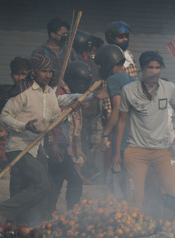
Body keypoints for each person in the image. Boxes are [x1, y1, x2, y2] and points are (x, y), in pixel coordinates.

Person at [0, 54, 80, 224]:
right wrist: (24, 126)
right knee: (40, 184)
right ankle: (5, 211)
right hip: (19, 147)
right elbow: (4, 117)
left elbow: (54, 118)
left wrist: (69, 110)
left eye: (50, 71)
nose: (48, 75)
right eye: (44, 71)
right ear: (34, 72)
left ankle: (35, 224)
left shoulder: (50, 92)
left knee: (48, 188)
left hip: (37, 149)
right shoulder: (22, 92)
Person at [116, 51, 175, 210]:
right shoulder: (129, 90)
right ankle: (134, 231)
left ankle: (172, 230)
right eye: (150, 67)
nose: (154, 71)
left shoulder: (169, 88)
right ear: (142, 69)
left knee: (173, 193)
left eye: (158, 68)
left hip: (163, 150)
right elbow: (122, 121)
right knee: (134, 197)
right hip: (136, 151)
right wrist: (117, 153)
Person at [47, 61, 92, 211]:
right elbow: (54, 120)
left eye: (84, 83)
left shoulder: (73, 95)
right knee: (74, 181)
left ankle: (50, 213)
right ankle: (69, 213)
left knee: (58, 181)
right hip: (55, 144)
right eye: (79, 83)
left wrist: (76, 148)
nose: (81, 86)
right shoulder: (58, 92)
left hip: (64, 145)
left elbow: (72, 127)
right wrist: (56, 145)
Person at [97, 45, 136, 193]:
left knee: (120, 177)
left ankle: (124, 209)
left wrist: (105, 134)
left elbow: (117, 108)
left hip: (123, 135)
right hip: (135, 135)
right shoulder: (132, 79)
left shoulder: (113, 79)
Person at [30, 18, 77, 87]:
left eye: (67, 34)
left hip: (68, 93)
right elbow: (33, 76)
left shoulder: (70, 50)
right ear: (53, 35)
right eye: (63, 34)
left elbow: (76, 70)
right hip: (47, 92)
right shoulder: (39, 52)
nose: (66, 36)